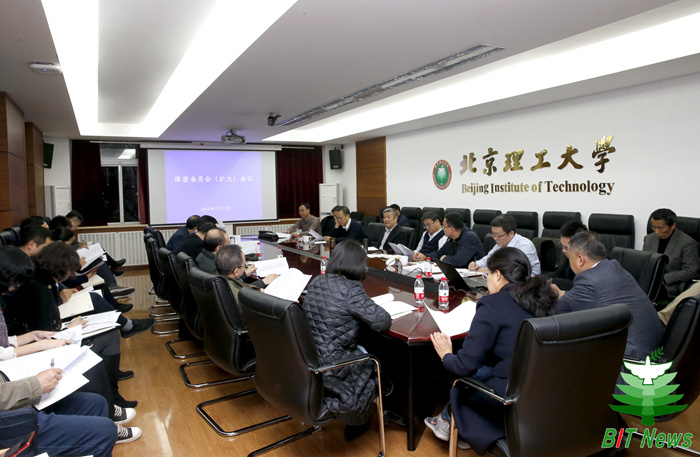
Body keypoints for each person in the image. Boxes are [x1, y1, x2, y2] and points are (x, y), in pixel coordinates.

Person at [425, 247, 558, 453]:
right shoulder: (543, 298)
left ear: (498, 275)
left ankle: (453, 422)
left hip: (508, 395)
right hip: (544, 389)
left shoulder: (492, 304)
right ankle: (446, 420)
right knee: (485, 367)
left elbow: (463, 366)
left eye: (487, 273)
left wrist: (446, 354)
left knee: (462, 382)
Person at [301, 240, 391, 441]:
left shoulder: (318, 281)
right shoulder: (351, 288)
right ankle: (380, 408)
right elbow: (382, 322)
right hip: (337, 363)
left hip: (313, 356)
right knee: (379, 351)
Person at [555, 231, 665, 360]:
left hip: (631, 361)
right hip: (653, 351)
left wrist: (554, 295)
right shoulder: (614, 267)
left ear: (580, 259)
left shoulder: (589, 279)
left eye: (570, 258)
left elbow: (559, 309)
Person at [643, 208, 700, 298]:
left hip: (669, 285)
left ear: (673, 226)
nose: (657, 232)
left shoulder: (687, 242)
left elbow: (691, 270)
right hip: (647, 282)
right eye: (654, 227)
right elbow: (645, 262)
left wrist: (663, 278)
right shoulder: (649, 238)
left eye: (660, 228)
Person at [469, 214, 541, 275]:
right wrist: (477, 264)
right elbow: (489, 258)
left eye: (498, 235)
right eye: (493, 235)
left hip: (527, 283)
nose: (495, 238)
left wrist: (489, 270)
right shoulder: (501, 244)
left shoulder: (525, 245)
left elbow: (515, 270)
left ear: (511, 234)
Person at [544, 221, 587, 291]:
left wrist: (553, 281)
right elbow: (558, 273)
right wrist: (539, 278)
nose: (563, 250)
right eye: (562, 246)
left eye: (566, 248)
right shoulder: (569, 258)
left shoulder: (590, 261)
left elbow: (580, 286)